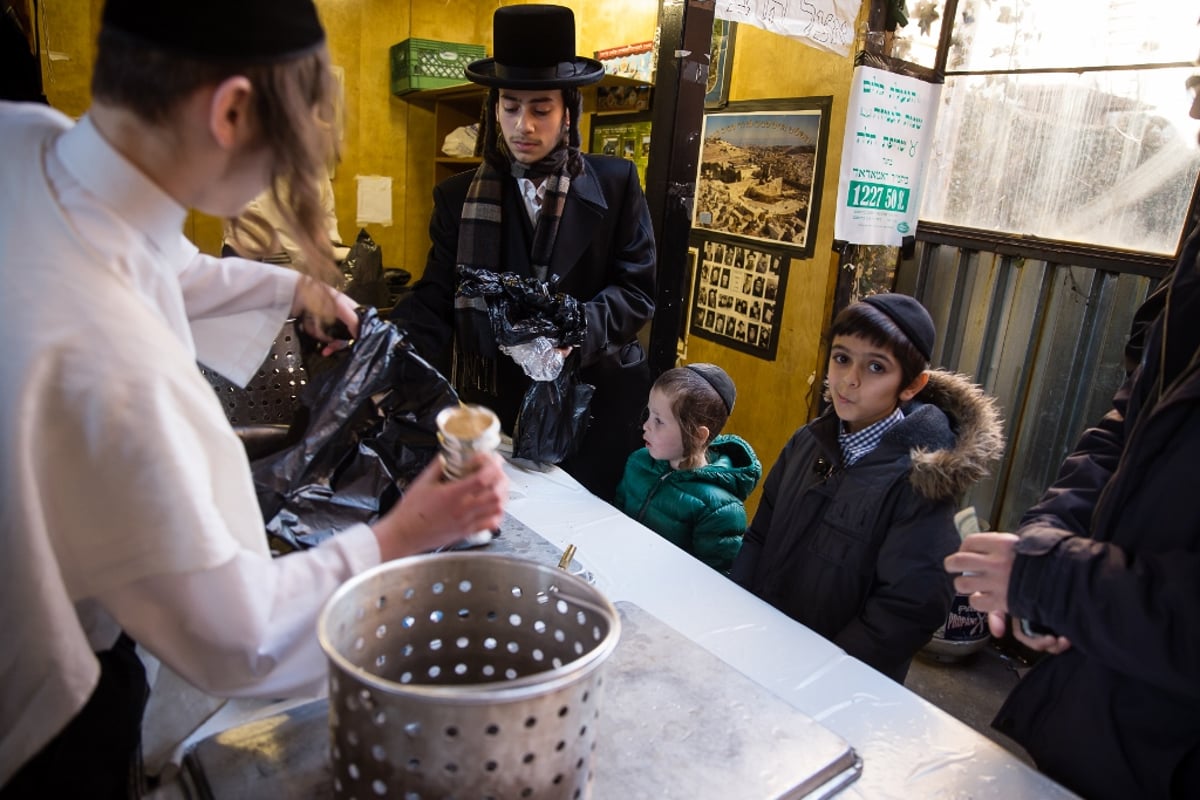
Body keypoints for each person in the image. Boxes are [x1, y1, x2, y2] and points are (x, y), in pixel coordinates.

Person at [0, 1, 508, 796]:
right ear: (232, 110)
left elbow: (159, 261)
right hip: (42, 726)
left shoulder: (24, 140)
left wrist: (294, 287)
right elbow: (238, 639)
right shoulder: (106, 356)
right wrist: (404, 533)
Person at [943, 69, 1200, 800]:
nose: (1193, 103)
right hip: (1102, 710)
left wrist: (1059, 580)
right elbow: (1129, 424)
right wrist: (1046, 547)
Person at [390, 3, 656, 502]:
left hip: (594, 400)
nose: (523, 126)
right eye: (510, 107)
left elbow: (636, 290)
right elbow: (435, 298)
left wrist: (575, 326)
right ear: (494, 109)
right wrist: (383, 347)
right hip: (500, 403)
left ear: (568, 111)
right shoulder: (458, 198)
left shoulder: (617, 185)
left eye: (540, 109)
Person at [731, 294, 1004, 681]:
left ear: (911, 385)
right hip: (764, 649)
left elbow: (908, 607)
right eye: (841, 358)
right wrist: (740, 611)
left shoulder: (922, 481)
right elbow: (759, 536)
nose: (849, 379)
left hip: (840, 680)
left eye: (876, 367)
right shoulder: (807, 443)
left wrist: (828, 671)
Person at [614, 364, 761, 573]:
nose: (646, 425)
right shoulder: (639, 462)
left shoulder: (720, 510)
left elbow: (715, 581)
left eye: (659, 421)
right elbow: (614, 518)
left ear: (697, 435)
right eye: (648, 414)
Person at [223, 173, 351, 266]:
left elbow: (326, 212)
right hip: (254, 256)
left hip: (301, 259)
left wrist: (333, 245)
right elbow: (276, 218)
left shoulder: (316, 167)